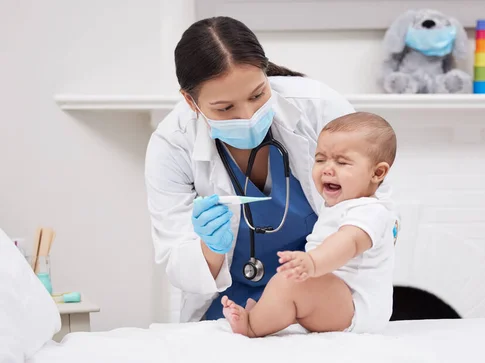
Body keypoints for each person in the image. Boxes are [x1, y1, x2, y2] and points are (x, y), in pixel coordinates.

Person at [144, 16, 393, 323]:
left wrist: (324, 260)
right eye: (225, 108)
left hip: (317, 301)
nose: (248, 115)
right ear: (190, 101)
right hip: (226, 309)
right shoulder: (172, 144)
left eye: (258, 95)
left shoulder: (318, 107)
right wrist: (210, 248)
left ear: (266, 73)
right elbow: (177, 262)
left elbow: (376, 206)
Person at [221, 112, 399, 336]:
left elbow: (348, 242)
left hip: (355, 308)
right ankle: (267, 314)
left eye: (342, 162)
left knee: (291, 282)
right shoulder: (345, 206)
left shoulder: (371, 212)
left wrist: (313, 263)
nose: (327, 168)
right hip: (338, 298)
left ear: (378, 172)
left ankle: (253, 326)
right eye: (320, 159)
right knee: (291, 280)